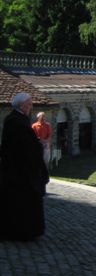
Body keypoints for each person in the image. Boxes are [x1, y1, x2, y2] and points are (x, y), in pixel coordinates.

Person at [0, 93, 48, 241]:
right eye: (29, 104)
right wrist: (38, 146)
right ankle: (23, 232)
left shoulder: (16, 119)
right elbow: (23, 148)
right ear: (21, 106)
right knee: (22, 203)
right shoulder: (17, 122)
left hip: (18, 169)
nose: (31, 107)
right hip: (20, 172)